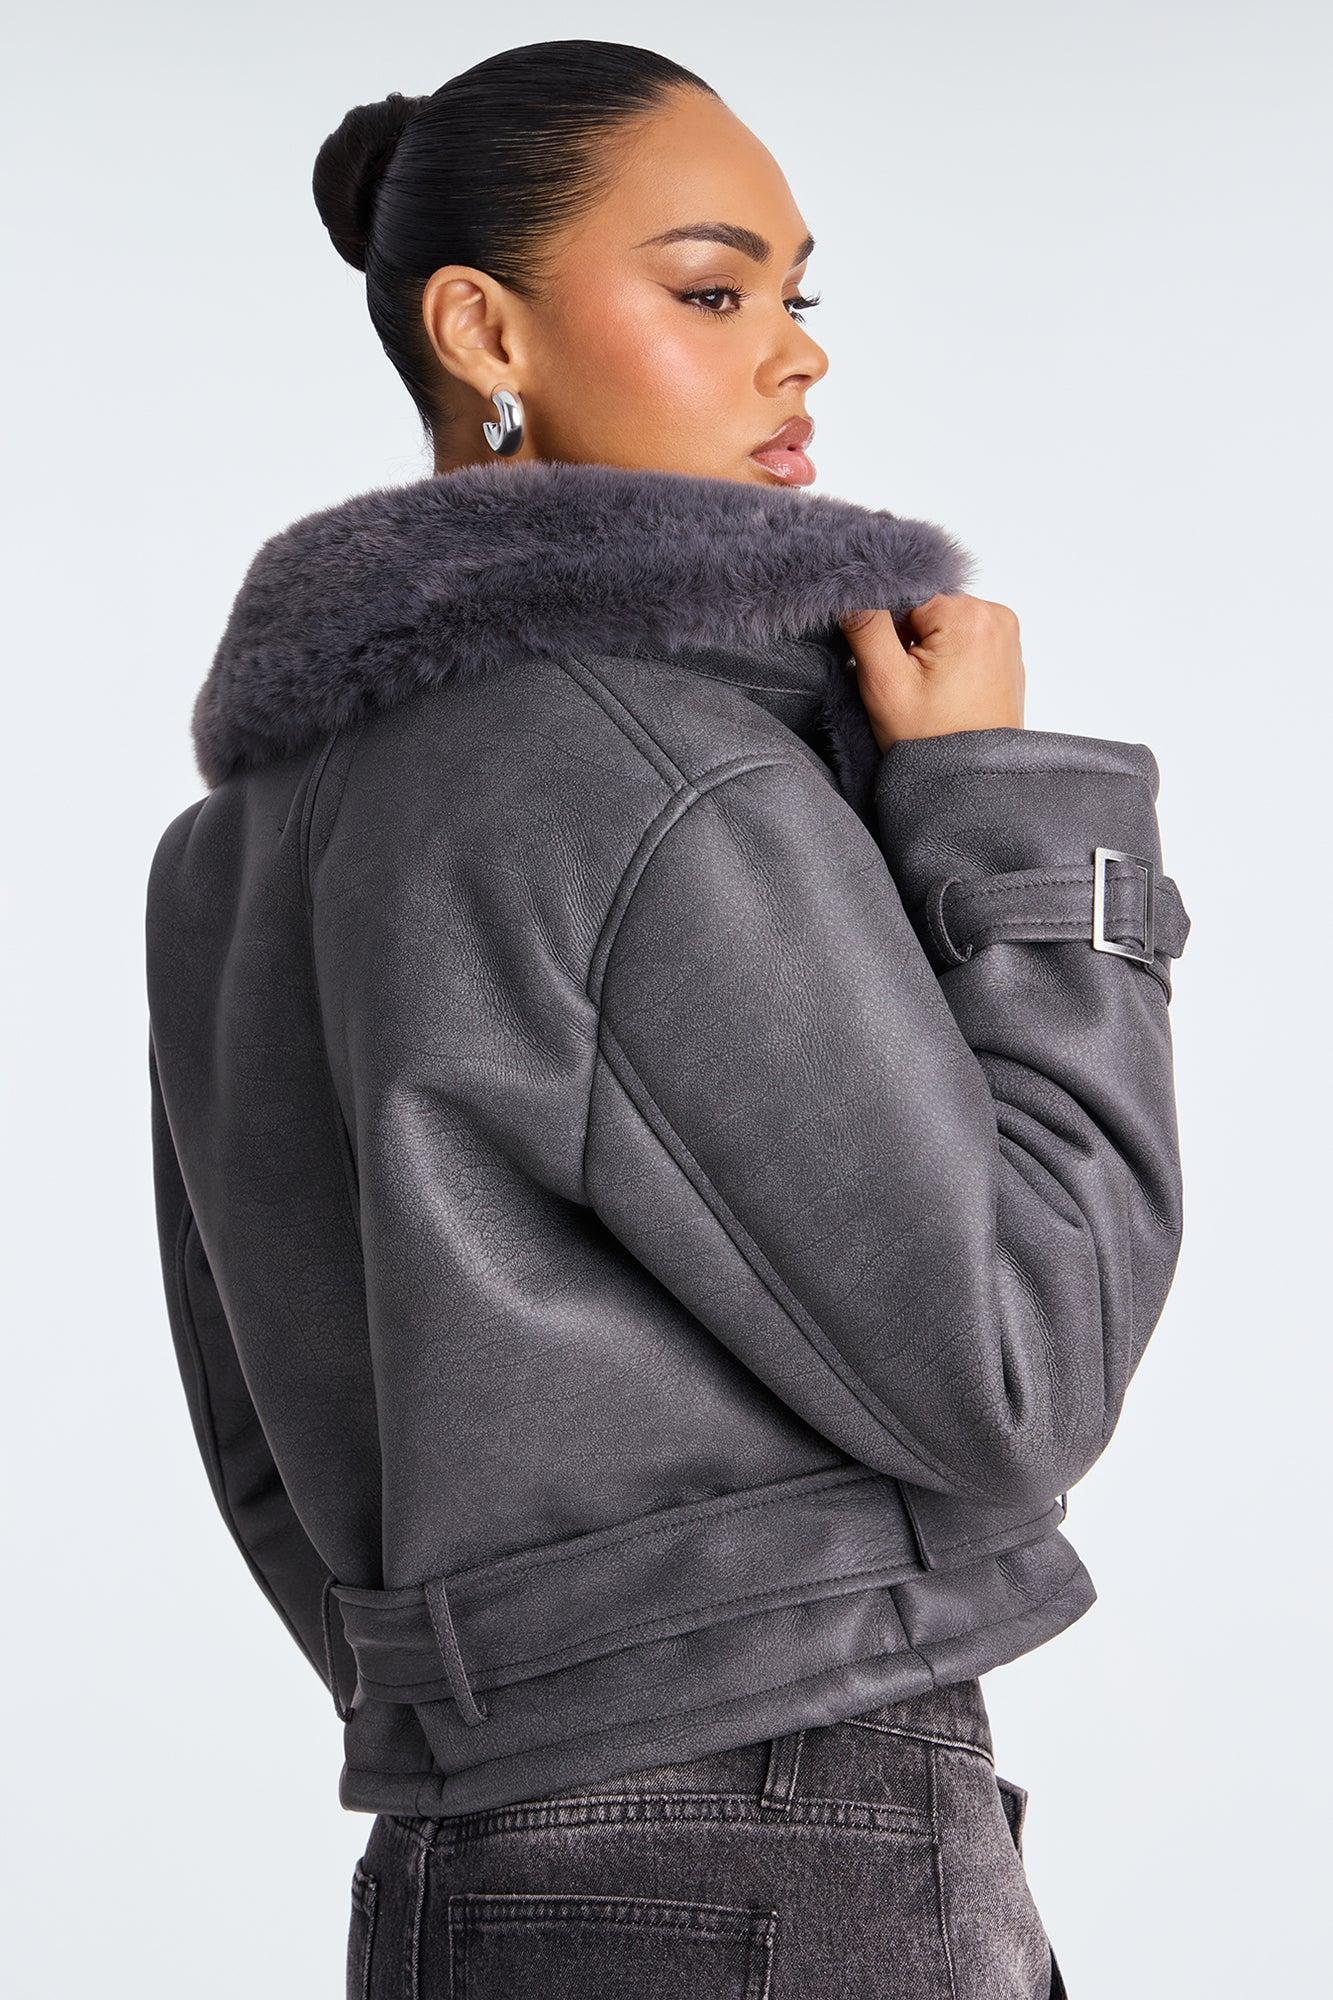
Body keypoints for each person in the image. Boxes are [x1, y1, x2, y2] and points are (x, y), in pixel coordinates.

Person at [144, 37, 1191, 2000]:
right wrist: (998, 813)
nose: (797, 353)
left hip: (456, 1872)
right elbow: (1018, 1373)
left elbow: (267, 1443)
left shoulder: (238, 842)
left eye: (797, 294)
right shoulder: (657, 776)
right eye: (713, 292)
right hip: (779, 1837)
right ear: (484, 330)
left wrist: (511, 1704)